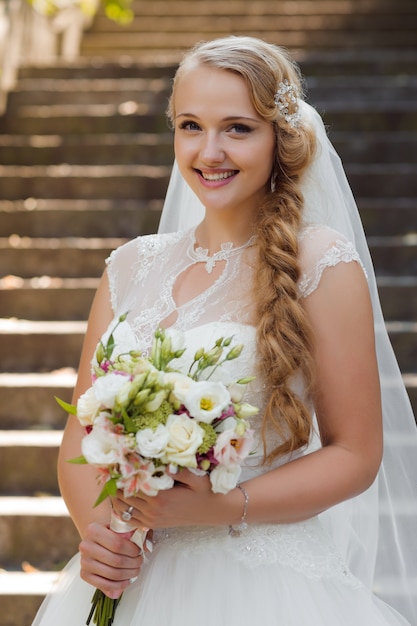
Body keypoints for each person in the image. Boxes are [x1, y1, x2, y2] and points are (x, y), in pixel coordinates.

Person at [32, 36, 417, 626]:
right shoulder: (131, 266)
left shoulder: (322, 265)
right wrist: (99, 536)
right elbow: (79, 440)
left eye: (237, 128)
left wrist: (223, 508)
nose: (209, 151)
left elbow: (356, 454)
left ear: (279, 139)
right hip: (137, 575)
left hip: (262, 583)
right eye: (190, 125)